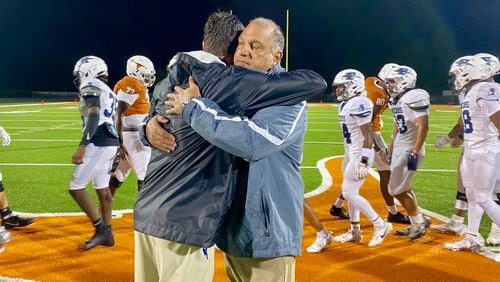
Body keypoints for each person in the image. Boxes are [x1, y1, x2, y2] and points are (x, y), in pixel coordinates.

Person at [134, 13, 326, 281]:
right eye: (241, 44)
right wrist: (148, 128)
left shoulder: (286, 98)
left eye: (255, 46)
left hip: (265, 236)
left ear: (276, 56)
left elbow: (253, 143)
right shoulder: (226, 87)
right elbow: (173, 109)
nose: (244, 52)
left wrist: (193, 108)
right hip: (231, 230)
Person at [329, 63, 410, 224]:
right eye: (392, 81)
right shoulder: (378, 93)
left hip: (358, 138)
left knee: (351, 180)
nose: (394, 84)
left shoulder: (373, 84)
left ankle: (338, 207)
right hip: (367, 137)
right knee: (385, 171)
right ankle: (391, 212)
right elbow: (368, 123)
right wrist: (376, 146)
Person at [323, 69, 392, 247]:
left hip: (360, 153)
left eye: (340, 87)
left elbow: (368, 134)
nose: (337, 90)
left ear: (351, 86)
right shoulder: (346, 104)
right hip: (350, 151)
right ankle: (355, 231)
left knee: (348, 193)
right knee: (351, 191)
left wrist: (363, 160)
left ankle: (380, 224)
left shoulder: (360, 102)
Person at [444, 55, 500, 251]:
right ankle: (471, 237)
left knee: (484, 197)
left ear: (468, 73)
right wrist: (451, 138)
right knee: (472, 194)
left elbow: (498, 121)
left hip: (487, 150)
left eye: (457, 74)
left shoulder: (486, 89)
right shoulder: (469, 92)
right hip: (471, 149)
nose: (455, 79)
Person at [70, 55, 120, 250]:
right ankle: (109, 234)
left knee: (76, 187)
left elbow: (94, 112)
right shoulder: (109, 91)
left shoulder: (90, 83)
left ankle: (101, 230)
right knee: (103, 189)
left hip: (98, 141)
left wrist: (83, 144)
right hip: (111, 141)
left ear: (87, 71)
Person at [385, 65, 431, 240]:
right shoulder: (396, 99)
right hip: (400, 146)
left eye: (391, 82)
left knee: (395, 189)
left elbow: (424, 125)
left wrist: (415, 150)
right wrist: (390, 145)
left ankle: (419, 223)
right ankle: (417, 222)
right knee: (404, 188)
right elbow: (398, 124)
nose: (388, 85)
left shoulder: (415, 95)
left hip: (409, 149)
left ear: (404, 81)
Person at [109, 55, 155, 195]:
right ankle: (146, 214)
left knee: (117, 177)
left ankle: (102, 210)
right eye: (145, 74)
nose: (149, 78)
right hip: (133, 136)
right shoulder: (131, 83)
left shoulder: (137, 85)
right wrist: (118, 142)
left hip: (133, 134)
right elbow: (118, 113)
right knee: (146, 177)